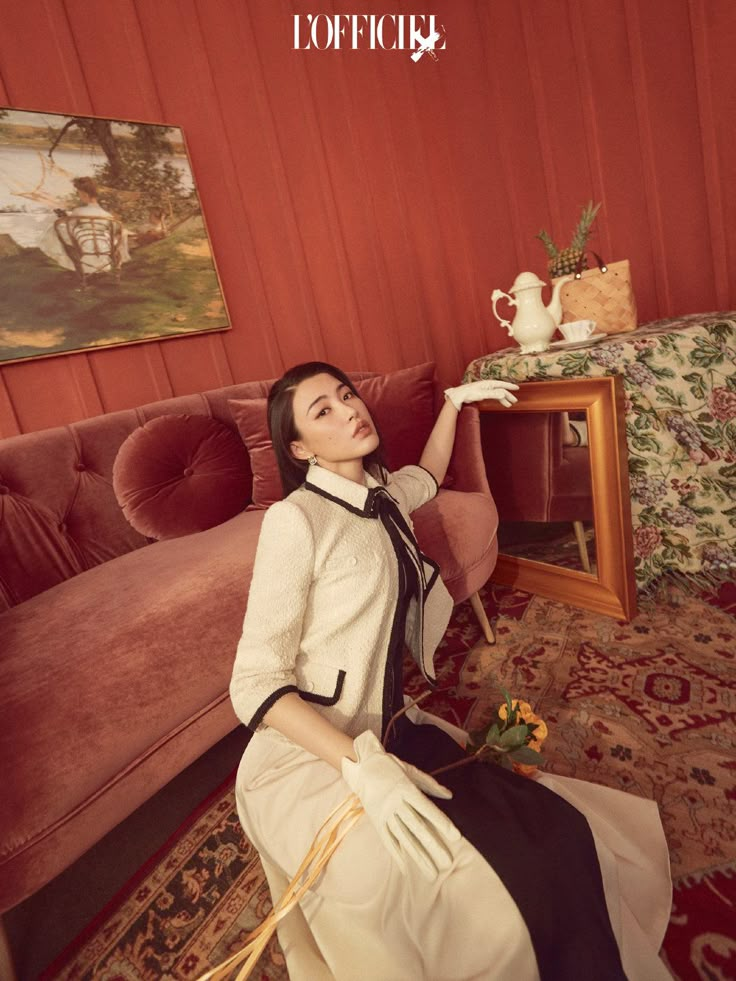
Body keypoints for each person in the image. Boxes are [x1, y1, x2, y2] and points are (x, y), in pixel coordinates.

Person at [229, 362, 672, 981]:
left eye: (347, 394)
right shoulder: (295, 521)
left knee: (557, 836)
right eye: (322, 410)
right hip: (311, 756)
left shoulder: (380, 492)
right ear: (299, 449)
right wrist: (362, 770)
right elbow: (251, 682)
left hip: (388, 729)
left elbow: (427, 477)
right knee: (454, 889)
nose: (349, 409)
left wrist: (454, 403)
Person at [38, 176, 130, 272]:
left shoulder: (78, 211)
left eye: (79, 194)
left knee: (59, 230)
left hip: (84, 246)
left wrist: (65, 219)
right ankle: (114, 266)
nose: (79, 197)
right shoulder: (107, 215)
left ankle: (75, 263)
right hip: (104, 247)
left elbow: (70, 228)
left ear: (85, 195)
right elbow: (116, 231)